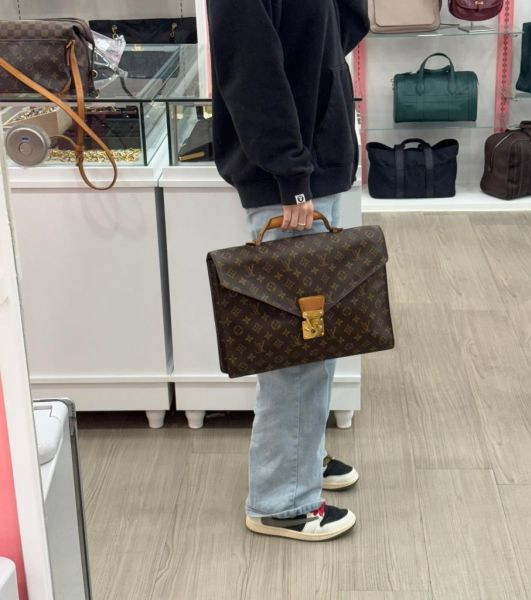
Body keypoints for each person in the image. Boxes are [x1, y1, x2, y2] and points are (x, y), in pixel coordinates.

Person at [207, 0, 369, 541]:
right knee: (295, 352)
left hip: (319, 161)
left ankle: (302, 457)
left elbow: (344, 25)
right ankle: (280, 501)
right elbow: (249, 67)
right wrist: (291, 175)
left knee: (317, 340)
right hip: (291, 180)